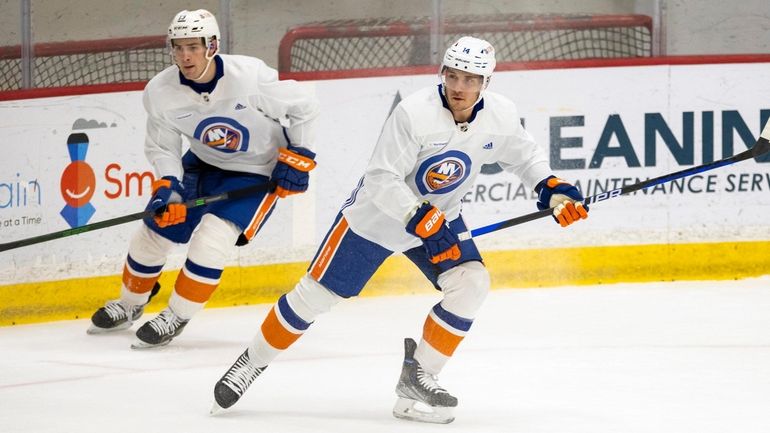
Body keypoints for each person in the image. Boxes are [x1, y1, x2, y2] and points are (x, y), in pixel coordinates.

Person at [210, 36, 588, 423]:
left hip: (440, 219)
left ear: (486, 83)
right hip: (376, 221)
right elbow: (380, 179)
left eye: (471, 79)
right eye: (453, 75)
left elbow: (525, 157)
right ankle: (250, 363)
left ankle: (419, 378)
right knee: (313, 298)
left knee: (471, 283)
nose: (459, 87)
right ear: (442, 73)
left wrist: (552, 189)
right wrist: (419, 217)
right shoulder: (414, 113)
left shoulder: (501, 115)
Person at [86, 9, 320, 349]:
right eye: (178, 47)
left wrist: (300, 156)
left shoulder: (249, 77)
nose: (185, 56)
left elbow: (305, 107)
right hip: (202, 164)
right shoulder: (161, 91)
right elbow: (163, 145)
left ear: (212, 46)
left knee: (212, 238)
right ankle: (130, 304)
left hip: (255, 172)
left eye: (193, 47)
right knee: (155, 229)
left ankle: (176, 316)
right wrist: (169, 184)